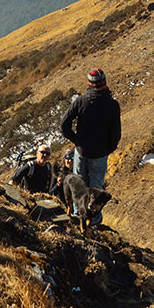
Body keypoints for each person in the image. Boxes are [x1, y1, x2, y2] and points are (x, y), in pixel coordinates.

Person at [59, 67, 120, 224]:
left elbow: (63, 124)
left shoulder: (81, 101)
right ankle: (93, 221)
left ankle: (77, 216)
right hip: (99, 154)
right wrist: (107, 150)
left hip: (81, 151)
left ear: (89, 83)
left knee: (78, 185)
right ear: (104, 82)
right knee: (96, 189)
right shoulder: (112, 105)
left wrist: (76, 140)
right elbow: (116, 135)